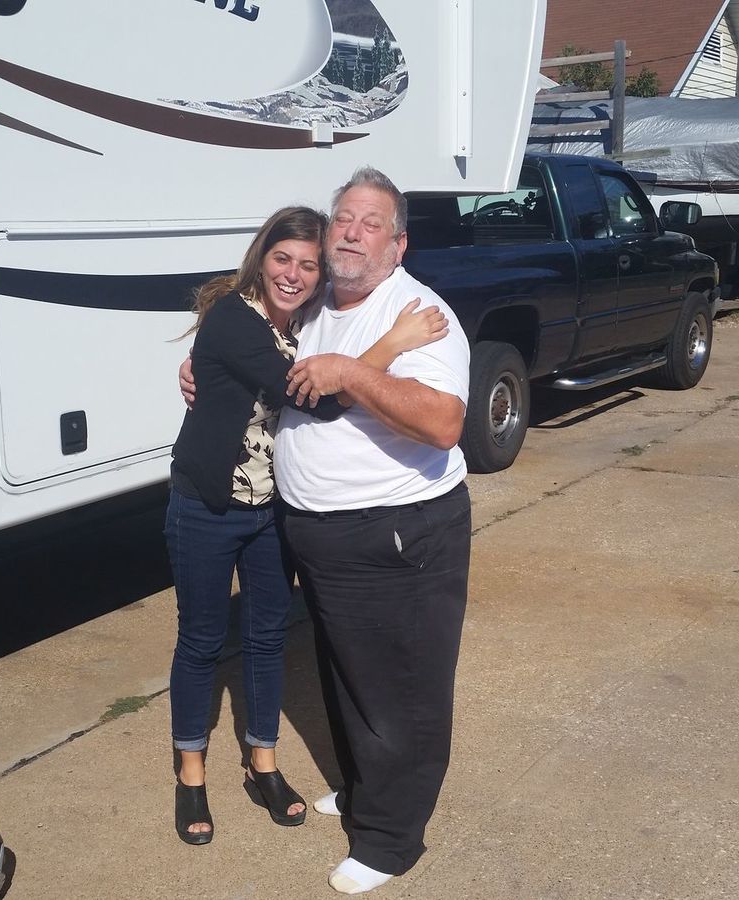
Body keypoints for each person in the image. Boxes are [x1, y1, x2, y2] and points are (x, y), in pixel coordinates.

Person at [166, 205, 448, 847]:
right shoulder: (234, 319)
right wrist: (394, 343)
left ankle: (262, 764)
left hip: (272, 510)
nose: (293, 275)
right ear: (260, 258)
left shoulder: (308, 321)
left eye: (308, 265)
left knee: (267, 637)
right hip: (206, 507)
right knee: (202, 641)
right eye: (282, 259)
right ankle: (191, 774)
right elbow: (314, 399)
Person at [276, 167, 472, 895]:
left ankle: (390, 840)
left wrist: (351, 375)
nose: (353, 234)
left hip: (398, 534)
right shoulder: (316, 303)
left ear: (397, 245)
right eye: (344, 219)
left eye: (371, 223)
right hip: (324, 536)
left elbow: (444, 423)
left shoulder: (420, 313)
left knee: (403, 690)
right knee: (347, 675)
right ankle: (364, 790)